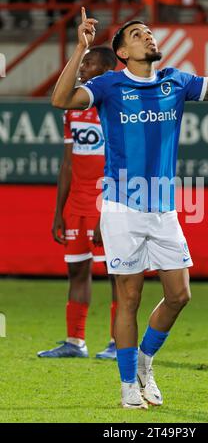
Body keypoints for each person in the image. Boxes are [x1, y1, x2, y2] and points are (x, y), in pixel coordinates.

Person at [51, 0, 208, 408]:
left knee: (180, 295)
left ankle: (144, 361)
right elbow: (60, 99)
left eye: (149, 32)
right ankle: (127, 388)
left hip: (163, 209)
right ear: (123, 52)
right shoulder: (108, 85)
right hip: (122, 208)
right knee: (129, 298)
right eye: (137, 34)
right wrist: (80, 49)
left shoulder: (176, 81)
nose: (148, 35)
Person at [38, 46, 118, 360]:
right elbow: (68, 162)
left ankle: (117, 342)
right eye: (82, 62)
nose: (82, 68)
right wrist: (59, 210)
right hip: (77, 203)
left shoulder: (112, 107)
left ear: (107, 70)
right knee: (77, 271)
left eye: (89, 63)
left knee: (117, 273)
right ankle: (75, 341)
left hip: (107, 201)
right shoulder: (73, 109)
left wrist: (105, 209)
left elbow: (118, 162)